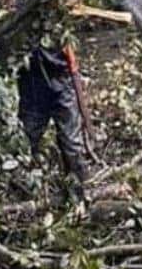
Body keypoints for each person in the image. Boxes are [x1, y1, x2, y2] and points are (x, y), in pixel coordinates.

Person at [17, 44, 89, 198]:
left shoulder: (58, 28)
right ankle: (27, 193)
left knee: (71, 143)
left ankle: (78, 193)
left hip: (61, 79)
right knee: (26, 140)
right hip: (33, 85)